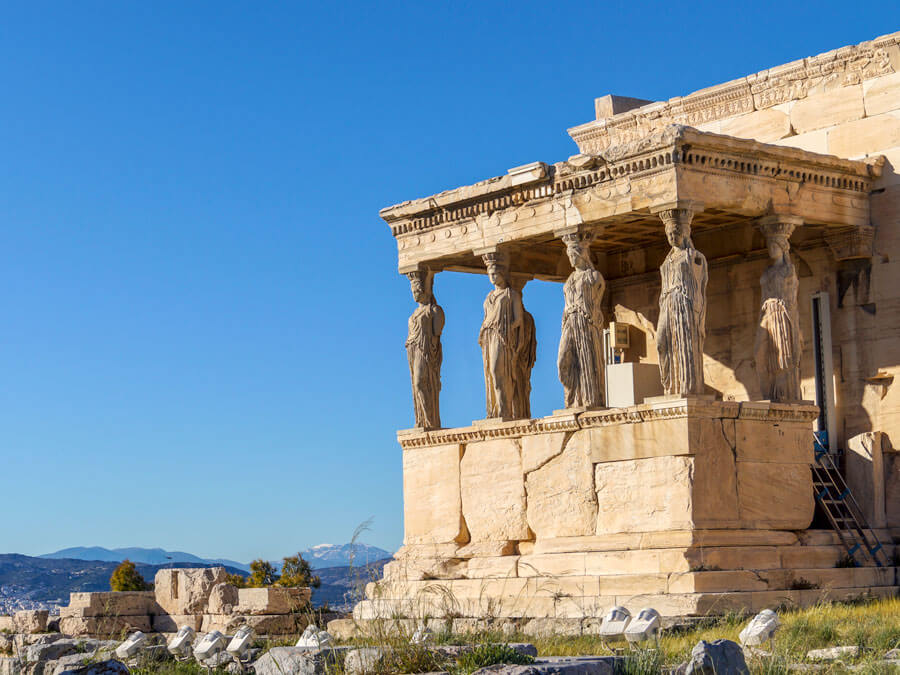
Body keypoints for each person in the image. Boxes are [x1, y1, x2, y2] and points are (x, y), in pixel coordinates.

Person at [656, 212, 708, 396]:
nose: (672, 237)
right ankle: (670, 384)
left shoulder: (693, 256)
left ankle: (687, 386)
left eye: (675, 233)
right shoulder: (667, 261)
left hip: (684, 303)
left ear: (684, 233)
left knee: (685, 343)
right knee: (661, 341)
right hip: (667, 303)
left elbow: (700, 283)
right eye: (669, 234)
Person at [558, 233, 606, 408]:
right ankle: (572, 398)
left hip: (585, 322)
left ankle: (588, 399)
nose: (571, 259)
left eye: (573, 255)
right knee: (563, 361)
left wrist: (592, 319)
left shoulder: (594, 277)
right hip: (570, 322)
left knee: (587, 361)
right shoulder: (570, 279)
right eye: (569, 256)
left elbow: (597, 303)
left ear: (582, 255)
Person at [406, 269, 444, 429]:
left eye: (417, 289)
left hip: (426, 351)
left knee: (421, 382)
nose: (414, 293)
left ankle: (430, 420)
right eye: (413, 290)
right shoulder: (415, 313)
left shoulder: (434, 311)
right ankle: (422, 419)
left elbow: (436, 333)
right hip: (413, 350)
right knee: (416, 385)